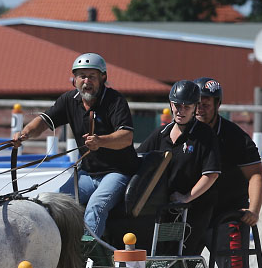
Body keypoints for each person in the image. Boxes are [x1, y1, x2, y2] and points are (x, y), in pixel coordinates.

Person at [12, 52, 140, 238]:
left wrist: (100, 141)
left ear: (103, 77)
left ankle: (85, 258)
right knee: (54, 204)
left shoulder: (115, 101)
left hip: (117, 172)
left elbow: (126, 137)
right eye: (82, 76)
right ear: (74, 79)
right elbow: (44, 121)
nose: (86, 81)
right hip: (87, 174)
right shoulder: (69, 100)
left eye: (92, 76)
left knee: (95, 207)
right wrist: (24, 134)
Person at [136, 80, 221, 256]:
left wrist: (186, 198)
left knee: (182, 255)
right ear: (170, 104)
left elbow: (211, 174)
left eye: (186, 106)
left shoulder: (205, 135)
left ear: (195, 107)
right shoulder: (161, 133)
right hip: (164, 207)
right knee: (158, 252)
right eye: (176, 105)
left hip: (195, 209)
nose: (180, 111)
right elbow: (138, 160)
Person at [194, 77, 262, 268]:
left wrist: (254, 210)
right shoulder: (181, 132)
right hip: (192, 212)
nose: (200, 108)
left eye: (206, 104)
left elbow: (256, 174)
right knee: (178, 266)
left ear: (217, 105)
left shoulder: (235, 137)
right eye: (197, 103)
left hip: (227, 214)